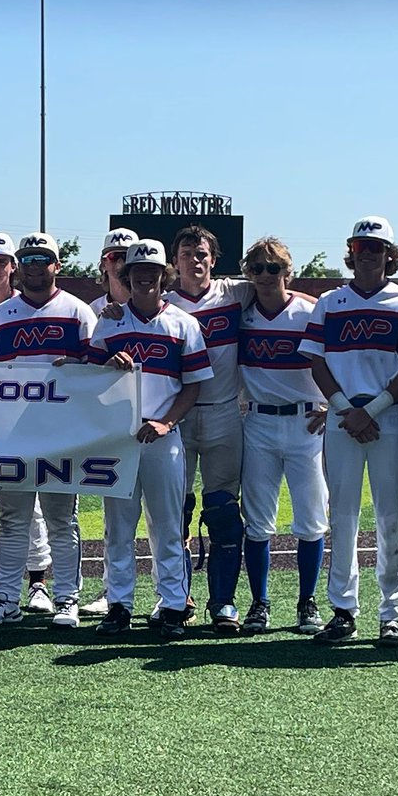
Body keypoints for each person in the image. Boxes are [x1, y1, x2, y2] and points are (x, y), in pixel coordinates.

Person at [299, 216, 398, 646]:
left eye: (376, 247)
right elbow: (316, 360)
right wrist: (344, 409)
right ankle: (343, 610)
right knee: (344, 518)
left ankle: (391, 614)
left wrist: (369, 411)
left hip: (384, 419)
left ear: (390, 254)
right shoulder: (330, 302)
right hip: (340, 418)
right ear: (350, 252)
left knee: (392, 518)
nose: (367, 253)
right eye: (360, 246)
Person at [89, 240, 213, 639]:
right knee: (118, 526)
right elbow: (86, 382)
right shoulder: (108, 321)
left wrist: (166, 423)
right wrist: (106, 365)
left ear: (164, 275)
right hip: (119, 438)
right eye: (136, 271)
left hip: (163, 436)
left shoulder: (183, 323)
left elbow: (193, 387)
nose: (144, 277)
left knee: (167, 525)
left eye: (153, 271)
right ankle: (119, 604)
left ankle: (174, 604)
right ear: (125, 276)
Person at [0, 232, 96, 628]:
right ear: (18, 266)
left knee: (62, 520)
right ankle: (6, 596)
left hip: (62, 434)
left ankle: (67, 599)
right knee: (12, 519)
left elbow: (97, 373)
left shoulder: (78, 313)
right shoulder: (0, 316)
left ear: (57, 265)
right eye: (28, 259)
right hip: (13, 435)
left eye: (43, 259)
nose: (35, 266)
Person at [164, 225, 255, 633]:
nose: (194, 259)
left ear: (213, 259)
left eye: (201, 253)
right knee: (175, 512)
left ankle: (224, 602)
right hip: (176, 415)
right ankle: (177, 598)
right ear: (175, 260)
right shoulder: (163, 303)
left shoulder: (235, 293)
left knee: (222, 510)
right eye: (187, 252)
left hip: (222, 412)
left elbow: (285, 294)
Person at [235, 237, 328, 635]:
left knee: (311, 518)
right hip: (258, 422)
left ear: (288, 272)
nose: (266, 275)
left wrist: (332, 403)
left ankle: (307, 602)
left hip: (307, 423)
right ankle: (260, 602)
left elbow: (339, 356)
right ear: (248, 274)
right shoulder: (240, 311)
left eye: (274, 268)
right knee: (257, 521)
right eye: (257, 268)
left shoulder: (309, 311)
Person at [0, 232, 53, 610]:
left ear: (11, 266)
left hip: (46, 427)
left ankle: (41, 584)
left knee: (43, 512)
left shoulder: (70, 309)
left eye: (2, 260)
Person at [80, 226, 138, 617]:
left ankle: (176, 595)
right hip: (112, 429)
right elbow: (82, 368)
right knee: (115, 519)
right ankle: (113, 592)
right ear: (104, 263)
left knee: (170, 518)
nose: (119, 263)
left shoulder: (162, 303)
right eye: (113, 257)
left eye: (126, 257)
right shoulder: (93, 310)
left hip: (159, 426)